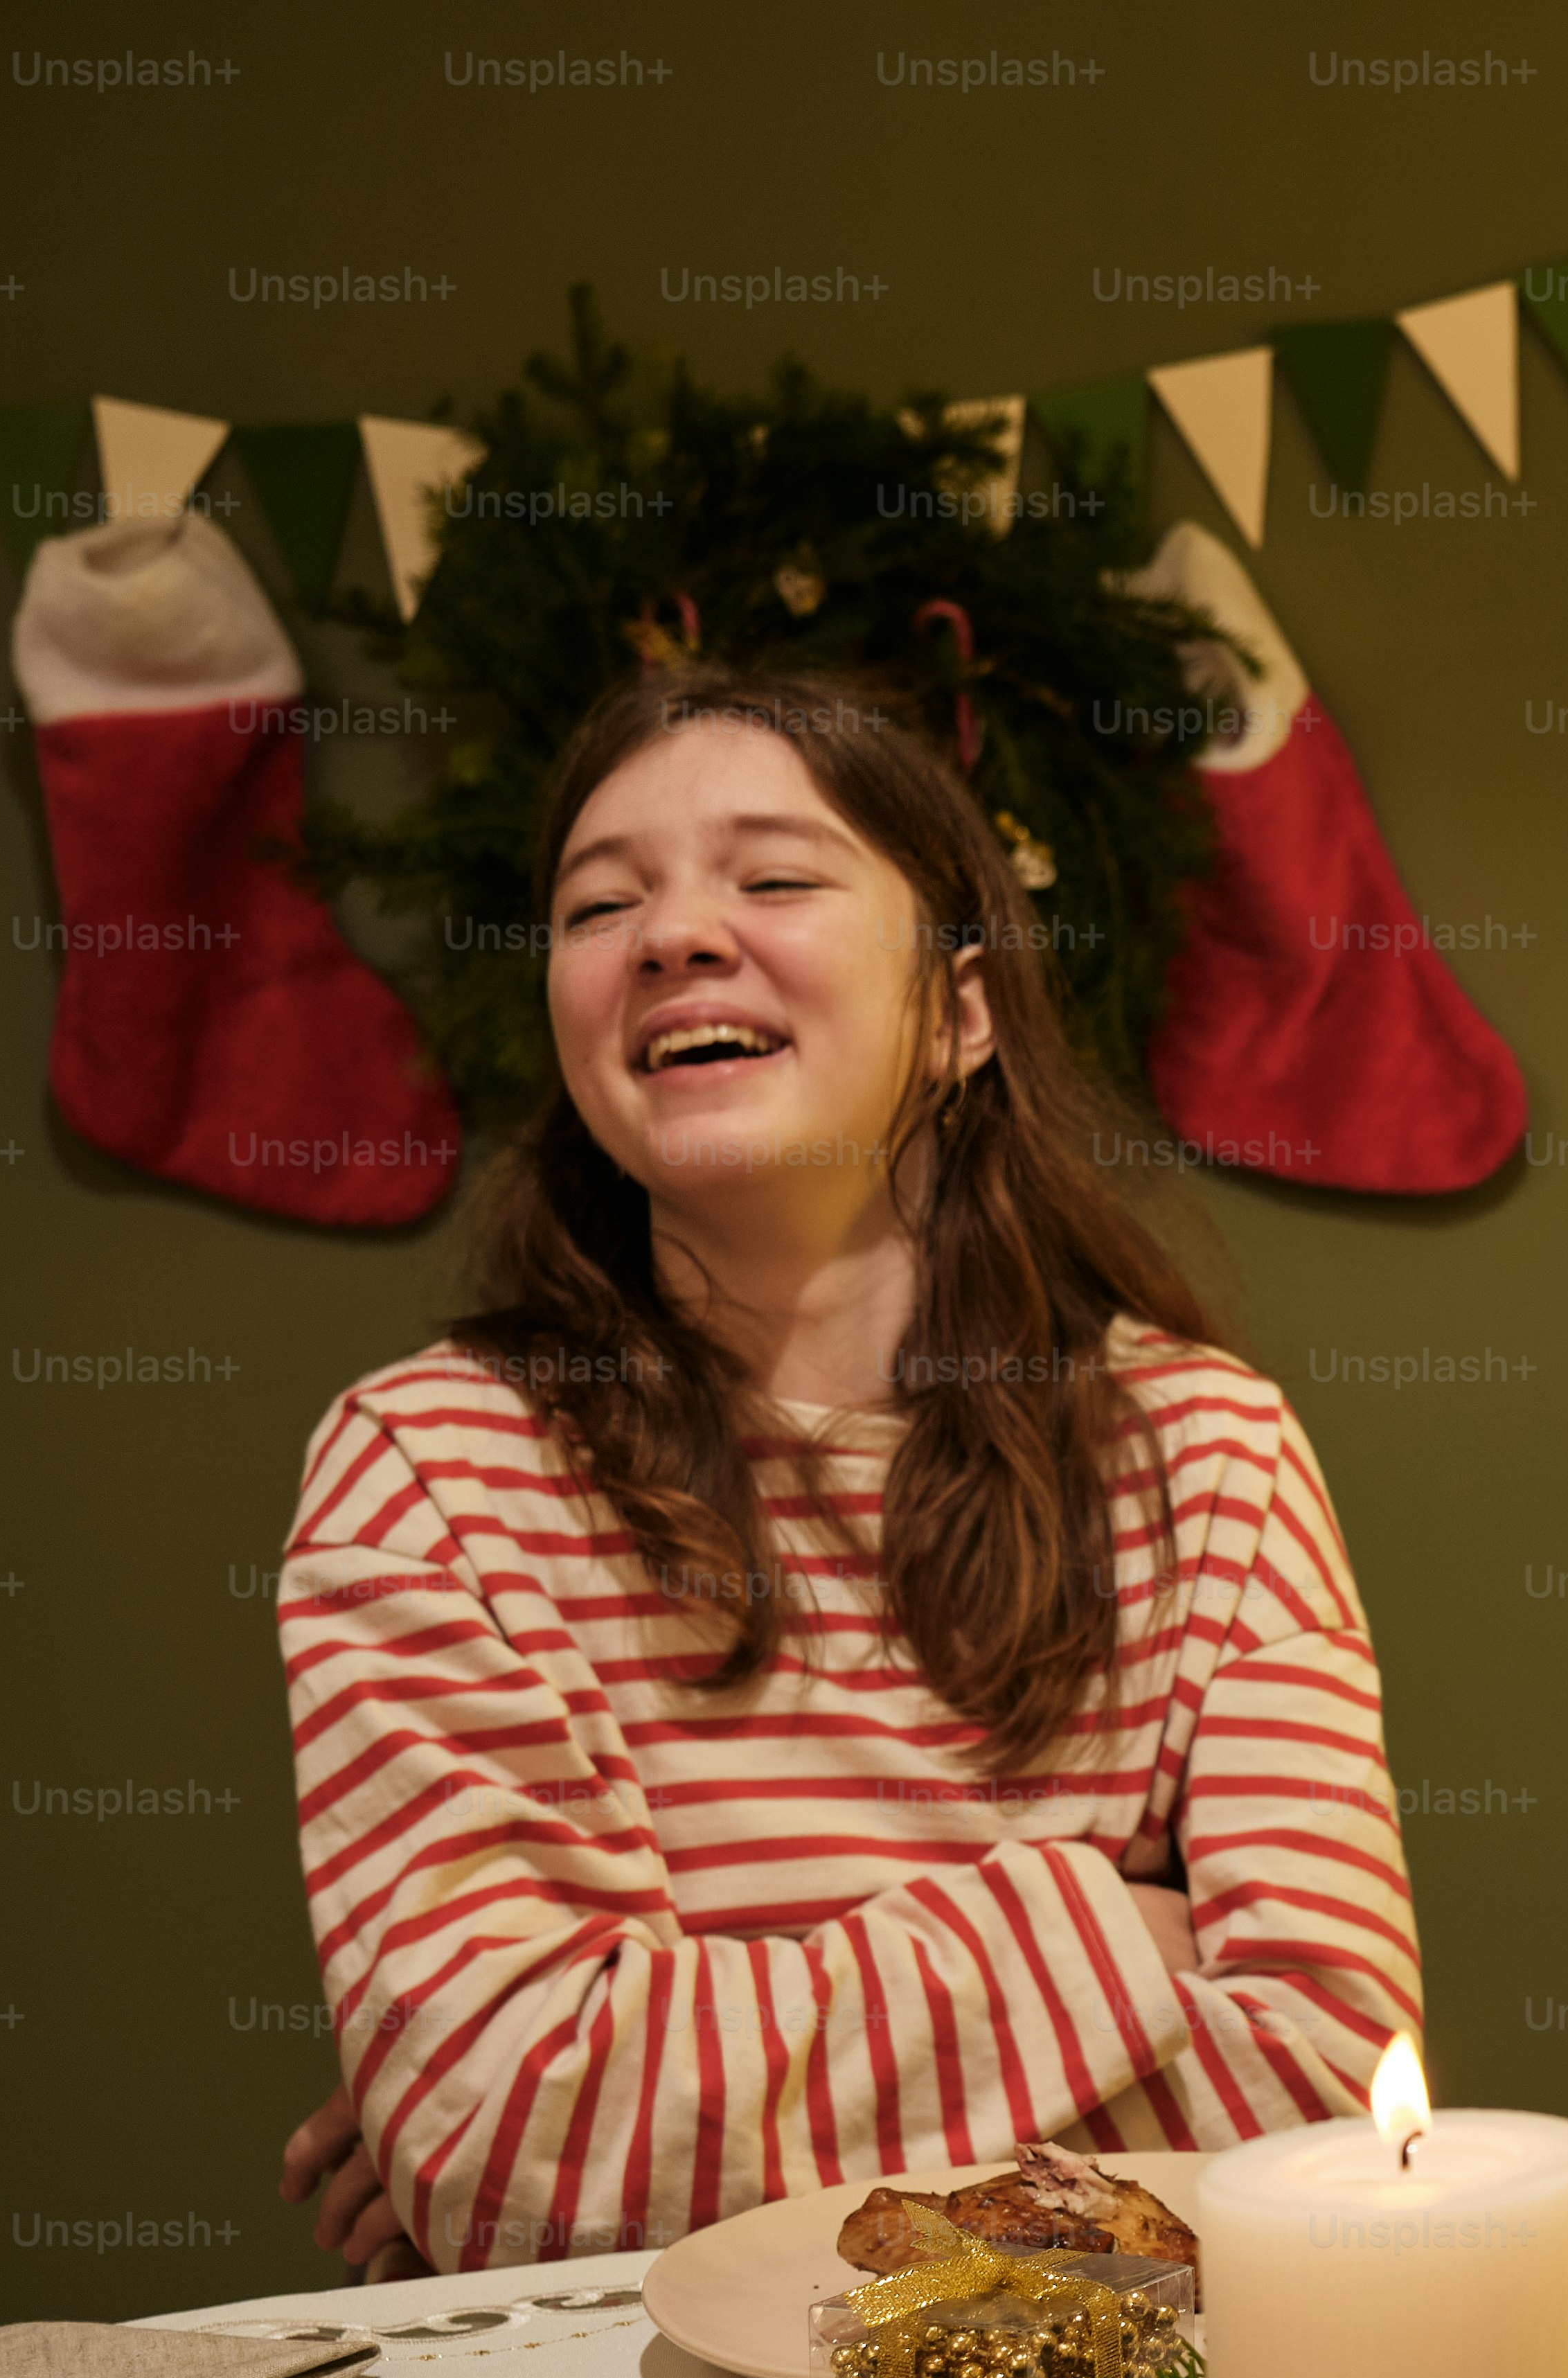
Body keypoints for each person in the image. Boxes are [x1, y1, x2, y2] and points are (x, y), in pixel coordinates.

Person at [276, 664, 1416, 2280]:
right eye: (602, 905)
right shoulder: (431, 1474)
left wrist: (670, 2116)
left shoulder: (1204, 1453)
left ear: (959, 1011)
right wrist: (1116, 1938)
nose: (672, 933)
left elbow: (1327, 2096)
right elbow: (520, 2146)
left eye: (774, 875)